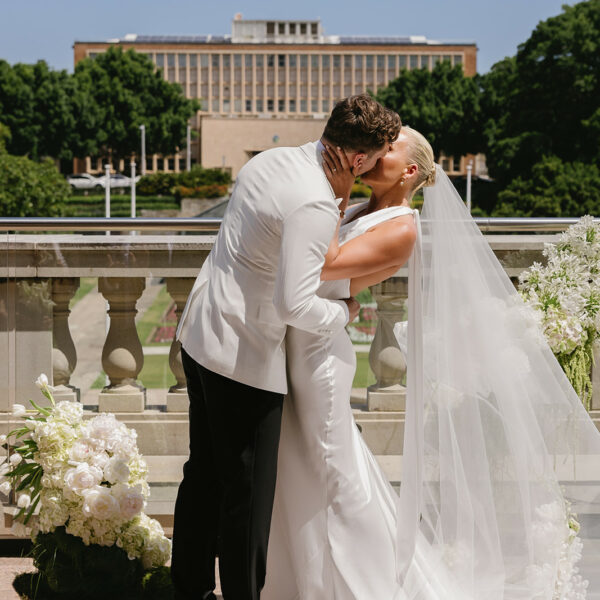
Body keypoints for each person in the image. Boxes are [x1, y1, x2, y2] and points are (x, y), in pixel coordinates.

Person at [263, 126, 599, 599]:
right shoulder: (364, 208)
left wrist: (334, 195)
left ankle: (366, 585)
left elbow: (318, 265)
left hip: (318, 357)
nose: (376, 151)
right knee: (301, 468)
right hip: (298, 343)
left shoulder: (401, 227)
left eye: (390, 147)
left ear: (411, 170)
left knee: (331, 473)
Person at [171, 95, 402, 600]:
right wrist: (342, 313)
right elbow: (296, 304)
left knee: (202, 476)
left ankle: (187, 591)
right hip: (242, 358)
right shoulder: (315, 202)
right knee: (246, 500)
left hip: (199, 332)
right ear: (358, 159)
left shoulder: (272, 160)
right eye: (379, 155)